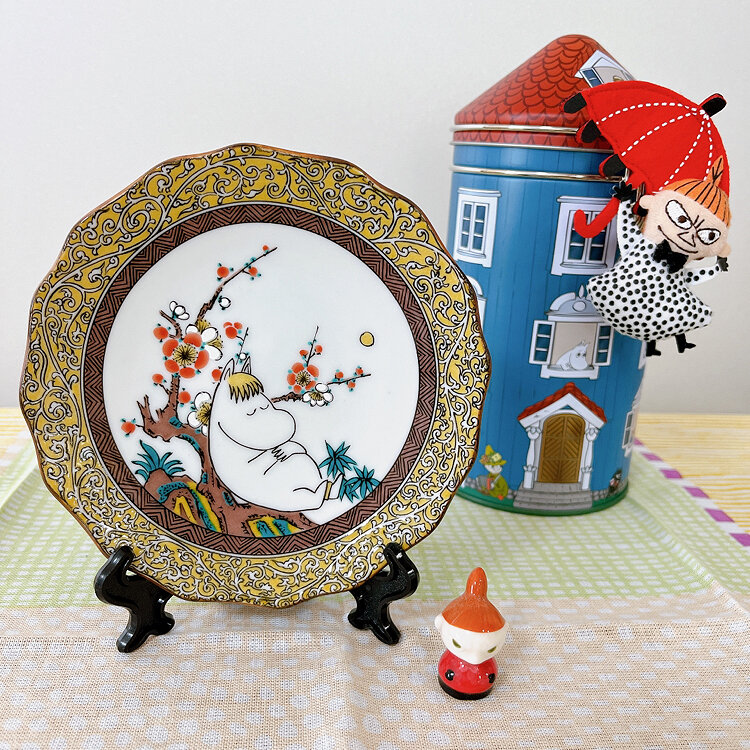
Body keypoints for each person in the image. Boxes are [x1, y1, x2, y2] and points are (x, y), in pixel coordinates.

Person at [587, 158, 731, 355]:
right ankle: (656, 345)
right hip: (622, 300)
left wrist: (716, 269)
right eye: (681, 219)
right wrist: (625, 202)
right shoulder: (646, 246)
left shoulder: (677, 262)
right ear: (652, 203)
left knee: (677, 311)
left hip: (653, 313)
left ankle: (654, 346)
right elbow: (627, 229)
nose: (689, 234)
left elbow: (690, 277)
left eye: (707, 235)